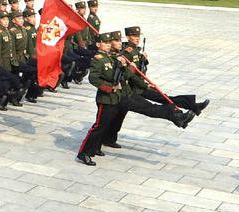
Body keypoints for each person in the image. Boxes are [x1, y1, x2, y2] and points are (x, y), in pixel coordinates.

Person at [76, 32, 193, 166]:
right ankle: (84, 153)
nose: (108, 45)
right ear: (98, 44)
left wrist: (129, 67)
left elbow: (125, 74)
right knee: (100, 126)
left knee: (146, 108)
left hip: (121, 96)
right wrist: (110, 87)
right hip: (107, 99)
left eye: (109, 43)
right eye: (105, 43)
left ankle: (176, 116)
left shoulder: (113, 57)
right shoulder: (98, 59)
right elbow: (93, 79)